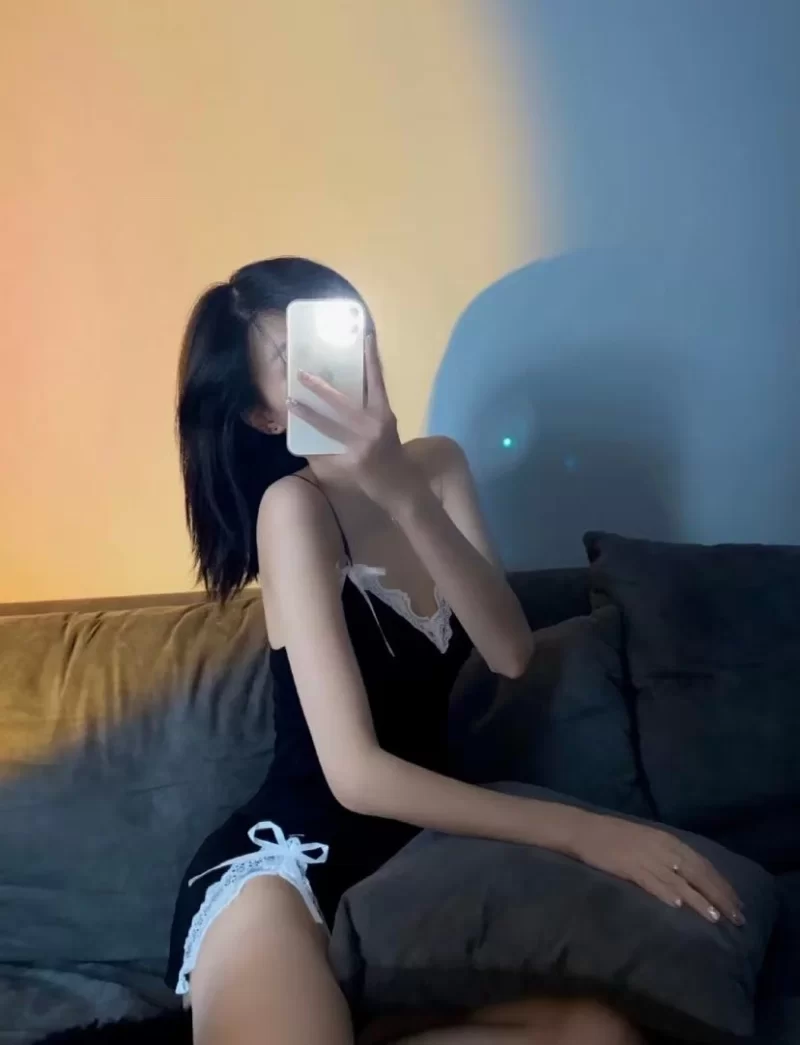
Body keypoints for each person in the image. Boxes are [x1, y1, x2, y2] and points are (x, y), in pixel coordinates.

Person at [167, 256, 743, 1045]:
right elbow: (355, 774)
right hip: (286, 867)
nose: (345, 365)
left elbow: (509, 651)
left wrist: (400, 487)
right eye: (296, 359)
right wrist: (584, 832)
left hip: (408, 867)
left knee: (597, 1034)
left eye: (346, 332)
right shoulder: (291, 511)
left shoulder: (437, 466)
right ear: (266, 415)